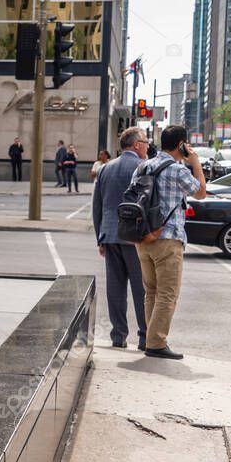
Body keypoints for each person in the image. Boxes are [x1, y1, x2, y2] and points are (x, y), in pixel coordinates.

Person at [132, 125, 207, 360]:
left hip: (143, 238)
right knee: (167, 294)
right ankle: (156, 343)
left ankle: (150, 339)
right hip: (168, 238)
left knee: (151, 292)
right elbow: (201, 192)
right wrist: (195, 162)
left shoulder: (143, 165)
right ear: (181, 144)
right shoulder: (177, 170)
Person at [92, 128, 149, 350]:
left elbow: (97, 206)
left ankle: (118, 336)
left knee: (115, 287)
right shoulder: (143, 167)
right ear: (136, 145)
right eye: (145, 141)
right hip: (135, 238)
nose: (147, 146)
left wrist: (100, 238)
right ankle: (144, 337)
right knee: (141, 289)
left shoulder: (105, 169)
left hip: (109, 236)